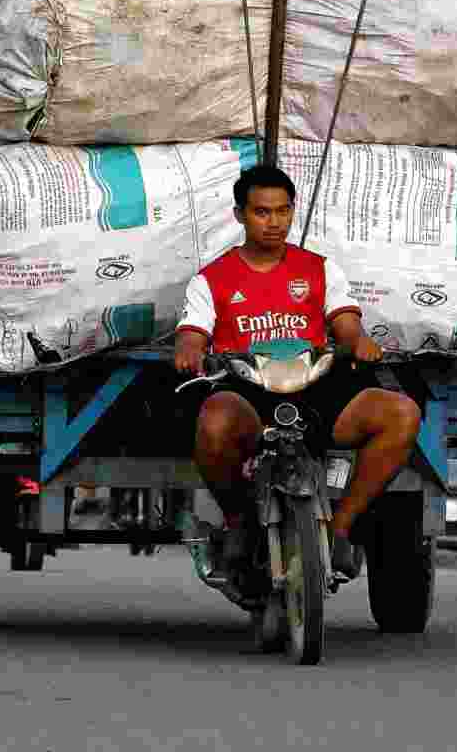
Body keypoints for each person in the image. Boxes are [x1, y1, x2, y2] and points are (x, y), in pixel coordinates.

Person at [174, 164, 421, 585]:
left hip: (316, 386)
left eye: (283, 211)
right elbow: (192, 334)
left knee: (402, 414)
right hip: (247, 390)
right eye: (262, 212)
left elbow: (345, 323)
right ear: (239, 215)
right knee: (213, 421)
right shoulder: (211, 279)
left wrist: (358, 339)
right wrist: (189, 351)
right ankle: (237, 524)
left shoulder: (320, 269)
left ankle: (341, 527)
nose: (274, 222)